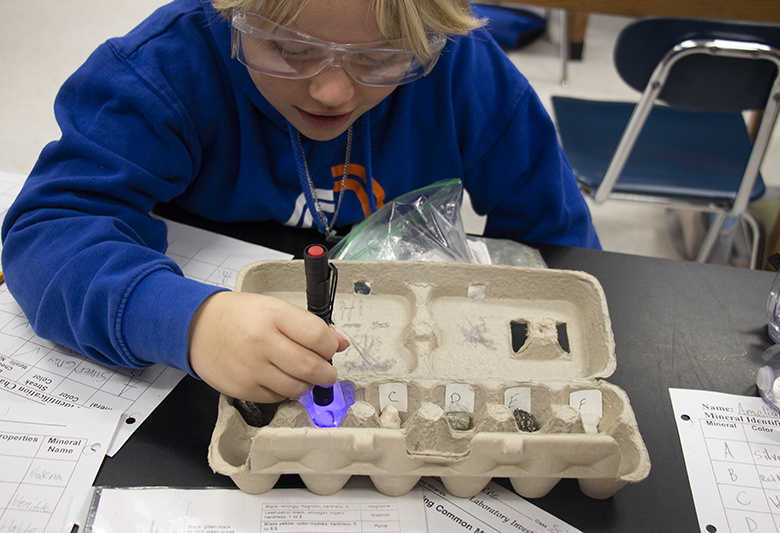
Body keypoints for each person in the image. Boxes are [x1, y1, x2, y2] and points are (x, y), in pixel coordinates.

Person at [1, 0, 600, 405]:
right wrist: (188, 322)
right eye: (291, 50)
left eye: (377, 60)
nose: (333, 90)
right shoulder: (164, 70)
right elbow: (49, 228)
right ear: (233, 14)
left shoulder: (466, 73)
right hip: (203, 369)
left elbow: (562, 248)